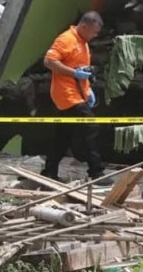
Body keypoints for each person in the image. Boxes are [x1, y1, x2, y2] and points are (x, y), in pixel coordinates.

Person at [41, 11, 111, 185]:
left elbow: (82, 69)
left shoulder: (83, 42)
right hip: (67, 95)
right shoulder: (66, 39)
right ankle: (96, 172)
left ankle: (49, 171)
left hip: (77, 94)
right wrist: (74, 73)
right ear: (83, 26)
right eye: (94, 32)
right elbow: (49, 61)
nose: (95, 36)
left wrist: (88, 91)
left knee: (63, 135)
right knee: (90, 129)